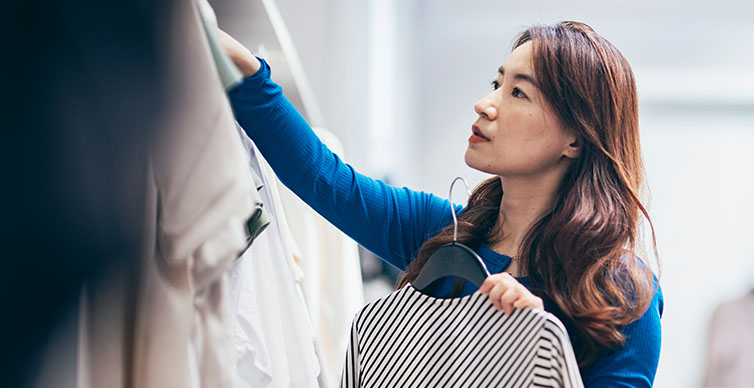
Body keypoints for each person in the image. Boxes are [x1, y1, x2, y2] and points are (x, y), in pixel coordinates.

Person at [220, 20, 662, 386]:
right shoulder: (445, 236)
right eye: (496, 83)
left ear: (574, 138)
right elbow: (327, 180)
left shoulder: (620, 290)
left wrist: (540, 350)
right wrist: (246, 73)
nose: (485, 104)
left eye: (518, 92)